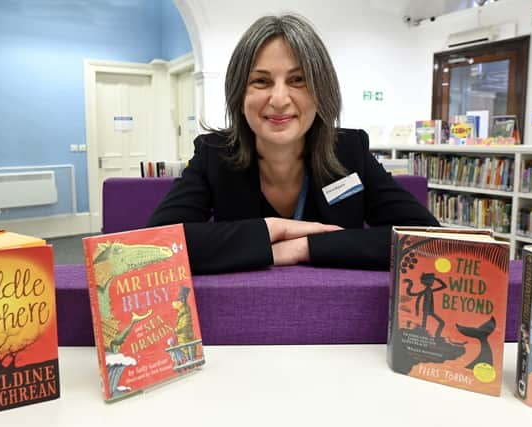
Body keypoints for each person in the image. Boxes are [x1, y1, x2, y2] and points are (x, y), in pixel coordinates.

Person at [147, 14, 439, 274]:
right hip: (243, 316)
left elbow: (428, 240)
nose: (279, 100)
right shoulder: (214, 153)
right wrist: (275, 230)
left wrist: (302, 248)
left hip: (337, 315)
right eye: (261, 81)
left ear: (321, 92)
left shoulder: (350, 150)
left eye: (298, 80)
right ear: (239, 94)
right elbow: (153, 245)